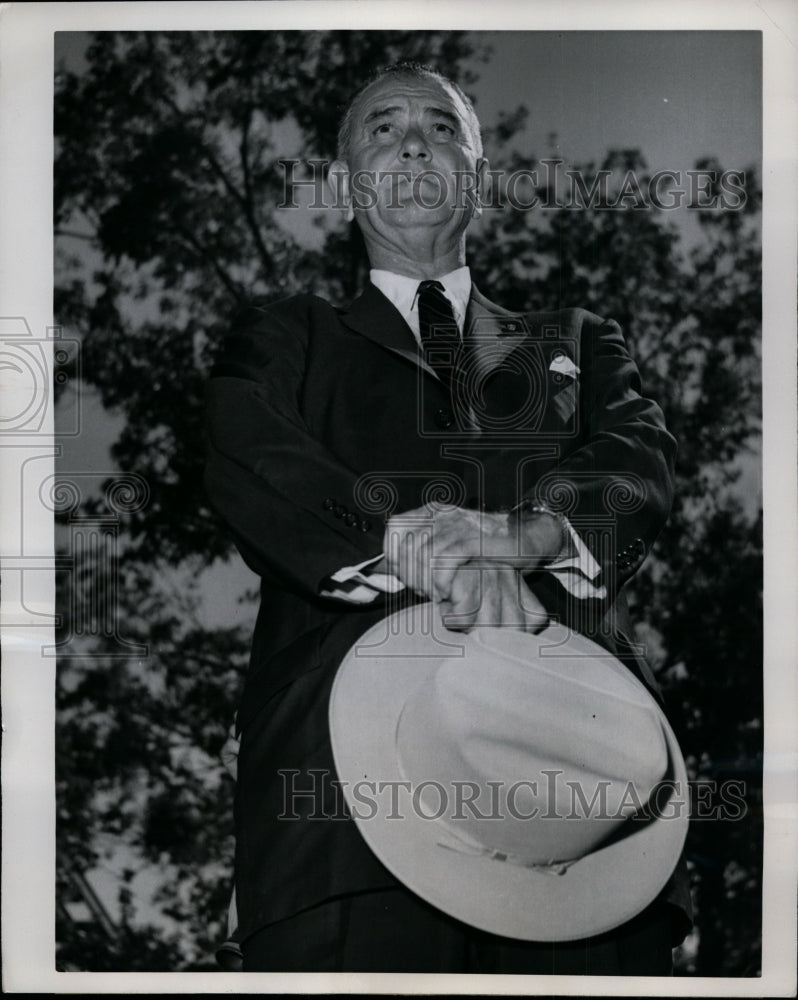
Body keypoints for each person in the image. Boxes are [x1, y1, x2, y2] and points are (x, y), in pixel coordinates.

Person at [204, 61, 692, 974]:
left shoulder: (579, 341)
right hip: (343, 817)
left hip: (583, 812)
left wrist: (532, 531)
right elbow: (244, 444)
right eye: (383, 129)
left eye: (440, 126)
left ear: (472, 175)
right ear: (351, 184)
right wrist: (400, 540)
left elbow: (641, 453)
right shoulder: (286, 334)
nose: (414, 140)